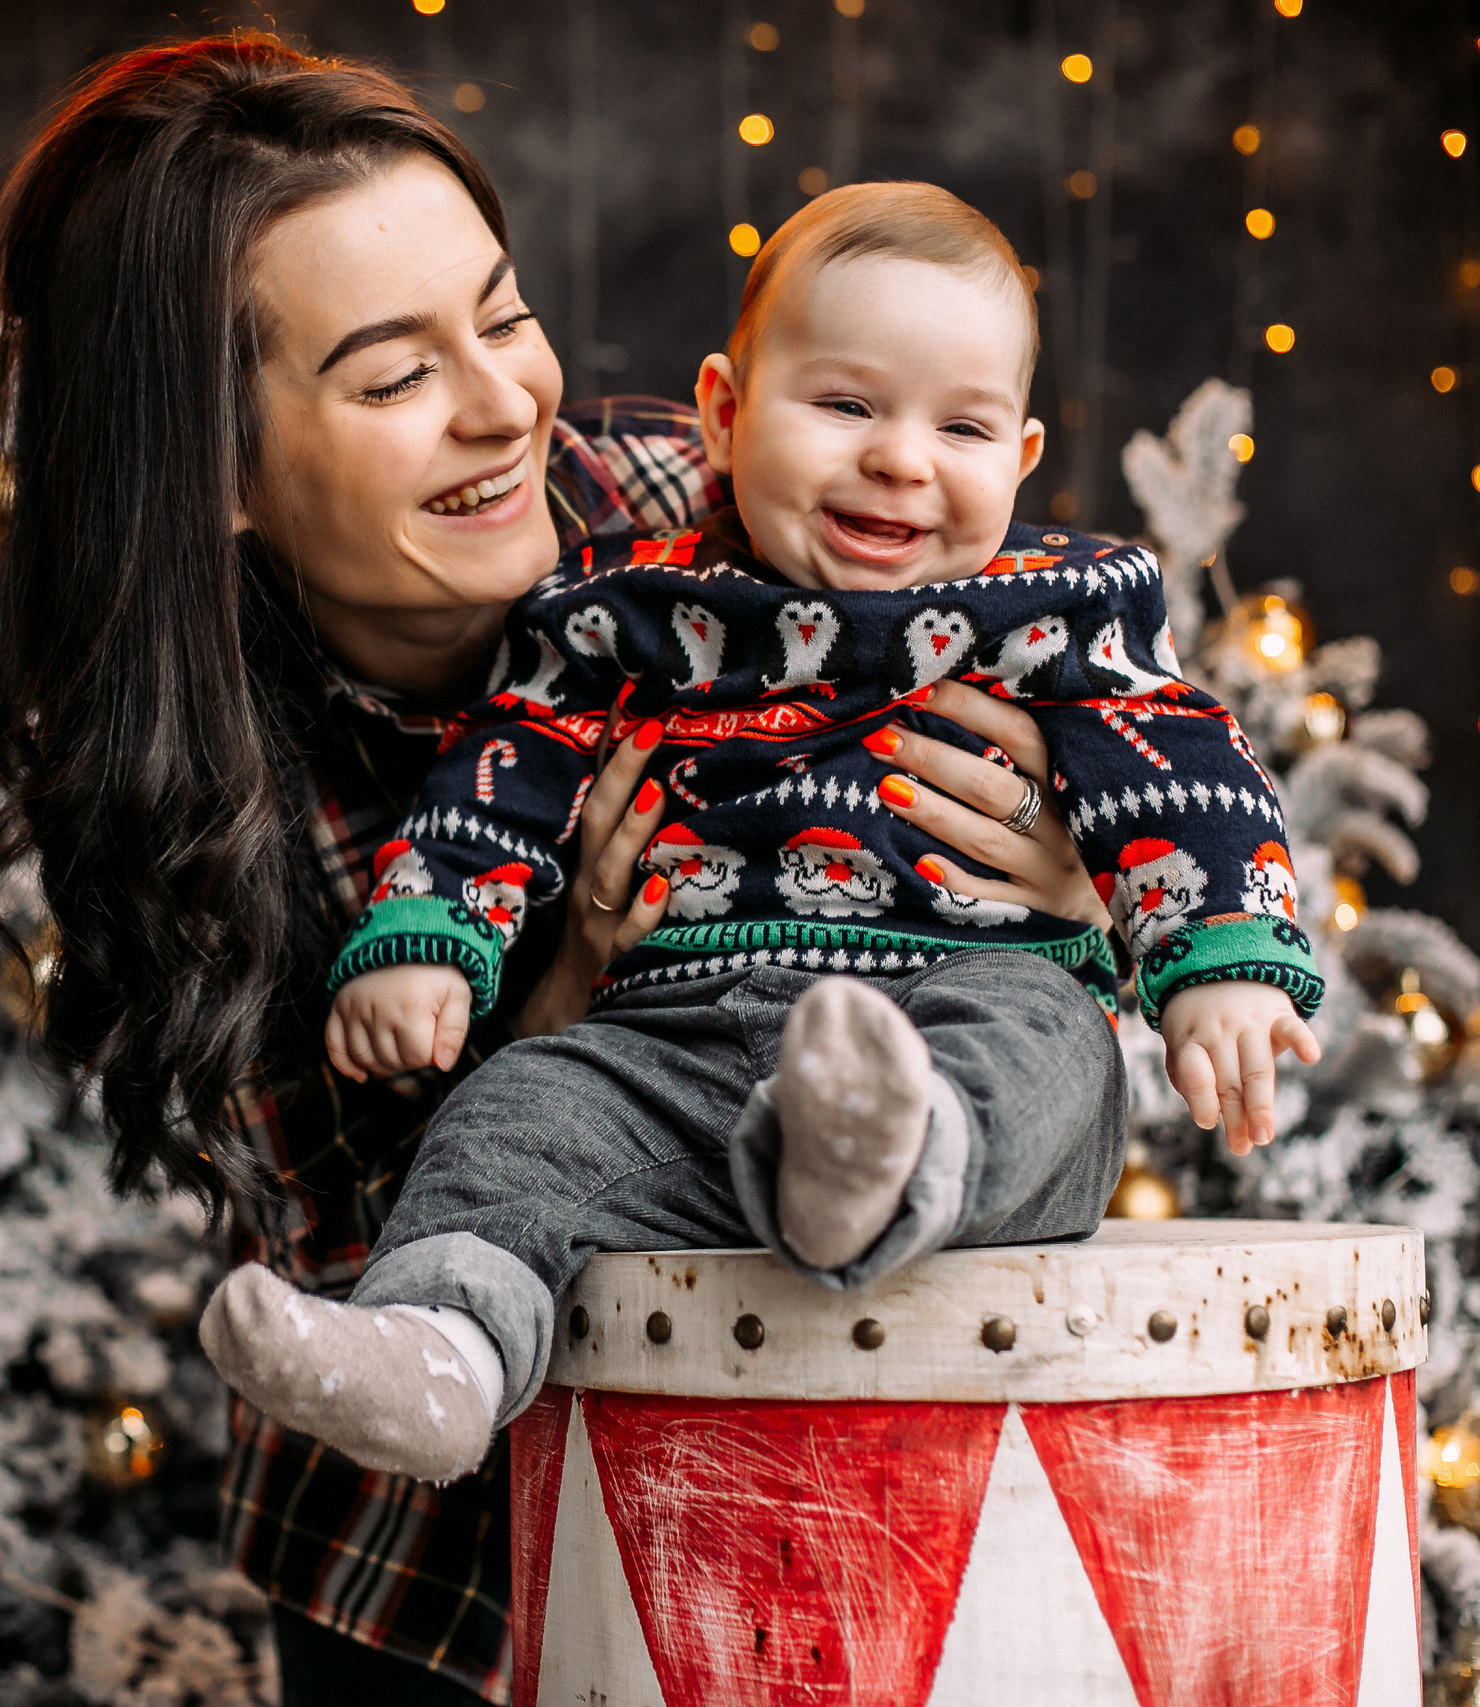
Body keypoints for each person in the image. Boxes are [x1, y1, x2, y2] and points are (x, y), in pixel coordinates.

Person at [0, 38, 1114, 1705]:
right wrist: (559, 1002)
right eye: (393, 376)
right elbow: (341, 1234)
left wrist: (1074, 876)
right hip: (431, 1575)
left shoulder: (697, 517)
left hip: (801, 1495)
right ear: (217, 472)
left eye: (502, 315)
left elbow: (1097, 693)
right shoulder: (195, 794)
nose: (505, 409)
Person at [197, 182, 1327, 1484]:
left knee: (1048, 1049)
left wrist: (1221, 956)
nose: (902, 458)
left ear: (1017, 462)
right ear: (725, 418)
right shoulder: (639, 613)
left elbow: (1179, 759)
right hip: (666, 1052)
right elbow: (510, 759)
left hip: (954, 1008)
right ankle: (447, 1344)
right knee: (518, 1113)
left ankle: (883, 1156)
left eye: (958, 425)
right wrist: (432, 937)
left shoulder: (1053, 617)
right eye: (845, 406)